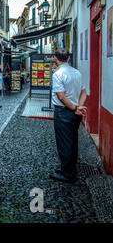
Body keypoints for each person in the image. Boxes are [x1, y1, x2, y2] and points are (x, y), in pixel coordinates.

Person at [50, 48, 87, 183]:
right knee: (72, 142)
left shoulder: (57, 74)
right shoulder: (77, 72)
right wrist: (79, 107)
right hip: (75, 113)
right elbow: (84, 92)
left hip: (64, 112)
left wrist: (74, 108)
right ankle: (68, 168)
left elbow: (61, 96)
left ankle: (68, 174)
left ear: (55, 58)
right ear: (69, 58)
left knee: (64, 143)